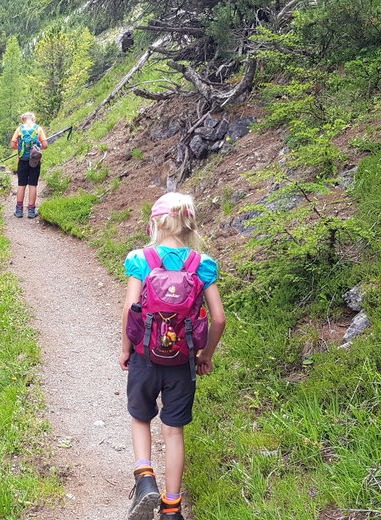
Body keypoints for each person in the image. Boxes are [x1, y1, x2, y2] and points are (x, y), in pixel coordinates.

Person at [119, 192, 226, 520]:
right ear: (190, 224)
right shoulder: (202, 264)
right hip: (183, 363)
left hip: (145, 357)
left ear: (154, 223)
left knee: (141, 417)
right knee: (173, 430)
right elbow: (219, 318)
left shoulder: (141, 259)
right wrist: (205, 355)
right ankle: (172, 507)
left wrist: (126, 348)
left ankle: (146, 480)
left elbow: (129, 309)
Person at [10, 112, 48, 218]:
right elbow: (45, 145)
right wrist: (38, 146)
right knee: (33, 184)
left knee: (21, 184)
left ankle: (19, 209)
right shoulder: (38, 129)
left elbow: (13, 145)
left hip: (22, 160)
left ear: (23, 120)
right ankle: (31, 210)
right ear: (34, 120)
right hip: (35, 161)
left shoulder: (19, 129)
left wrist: (22, 147)